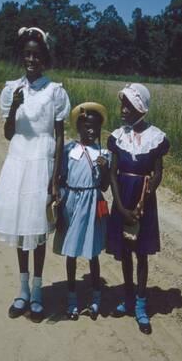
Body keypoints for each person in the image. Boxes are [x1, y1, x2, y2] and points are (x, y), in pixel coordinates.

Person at [0, 26, 70, 322]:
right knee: (22, 229)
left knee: (38, 229)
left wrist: (56, 175)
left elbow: (59, 136)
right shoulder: (12, 89)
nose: (31, 59)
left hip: (42, 162)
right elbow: (8, 133)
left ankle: (37, 292)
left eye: (37, 54)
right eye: (27, 54)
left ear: (44, 58)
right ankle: (22, 290)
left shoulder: (55, 91)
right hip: (19, 161)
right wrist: (14, 108)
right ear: (22, 57)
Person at [106, 83, 169, 334]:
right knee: (125, 250)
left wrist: (147, 194)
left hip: (143, 201)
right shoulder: (117, 136)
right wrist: (120, 207)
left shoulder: (155, 137)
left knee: (141, 252)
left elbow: (158, 172)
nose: (123, 110)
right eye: (122, 104)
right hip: (122, 197)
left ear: (140, 108)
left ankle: (141, 305)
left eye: (129, 106)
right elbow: (112, 174)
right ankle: (128, 297)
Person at [54, 102, 110, 321]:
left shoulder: (103, 153)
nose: (91, 131)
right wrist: (58, 209)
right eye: (86, 126)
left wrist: (105, 168)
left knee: (93, 252)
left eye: (95, 127)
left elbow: (104, 186)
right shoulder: (69, 150)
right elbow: (60, 179)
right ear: (78, 127)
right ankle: (72, 299)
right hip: (71, 203)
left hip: (92, 203)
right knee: (71, 252)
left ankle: (96, 299)